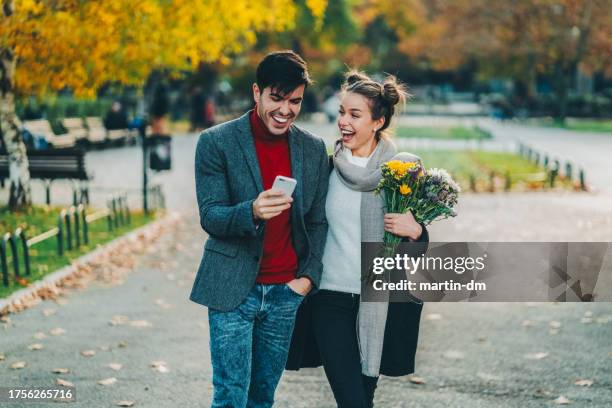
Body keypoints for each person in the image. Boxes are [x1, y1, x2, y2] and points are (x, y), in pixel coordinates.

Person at [189, 50, 329, 408]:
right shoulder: (216, 142)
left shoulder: (312, 149)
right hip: (231, 288)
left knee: (262, 396)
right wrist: (250, 210)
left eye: (294, 101)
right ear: (257, 93)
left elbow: (316, 220)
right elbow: (211, 216)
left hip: (285, 292)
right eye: (276, 98)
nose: (285, 110)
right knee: (230, 395)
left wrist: (307, 278)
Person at [286, 70, 429, 407]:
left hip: (378, 302)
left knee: (363, 396)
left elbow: (415, 250)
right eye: (341, 112)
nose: (343, 122)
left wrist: (416, 231)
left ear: (378, 121)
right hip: (329, 298)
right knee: (351, 398)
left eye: (354, 114)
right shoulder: (326, 169)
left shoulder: (400, 174)